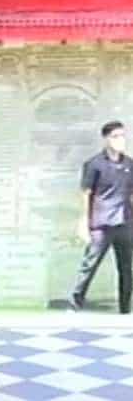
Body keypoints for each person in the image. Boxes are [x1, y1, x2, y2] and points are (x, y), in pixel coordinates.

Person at [69, 121, 133, 314]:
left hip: (124, 222)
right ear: (106, 139)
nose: (120, 140)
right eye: (115, 136)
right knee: (90, 264)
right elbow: (86, 193)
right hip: (101, 224)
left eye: (122, 136)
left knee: (126, 268)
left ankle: (125, 308)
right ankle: (75, 304)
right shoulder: (94, 164)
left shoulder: (129, 164)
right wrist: (83, 223)